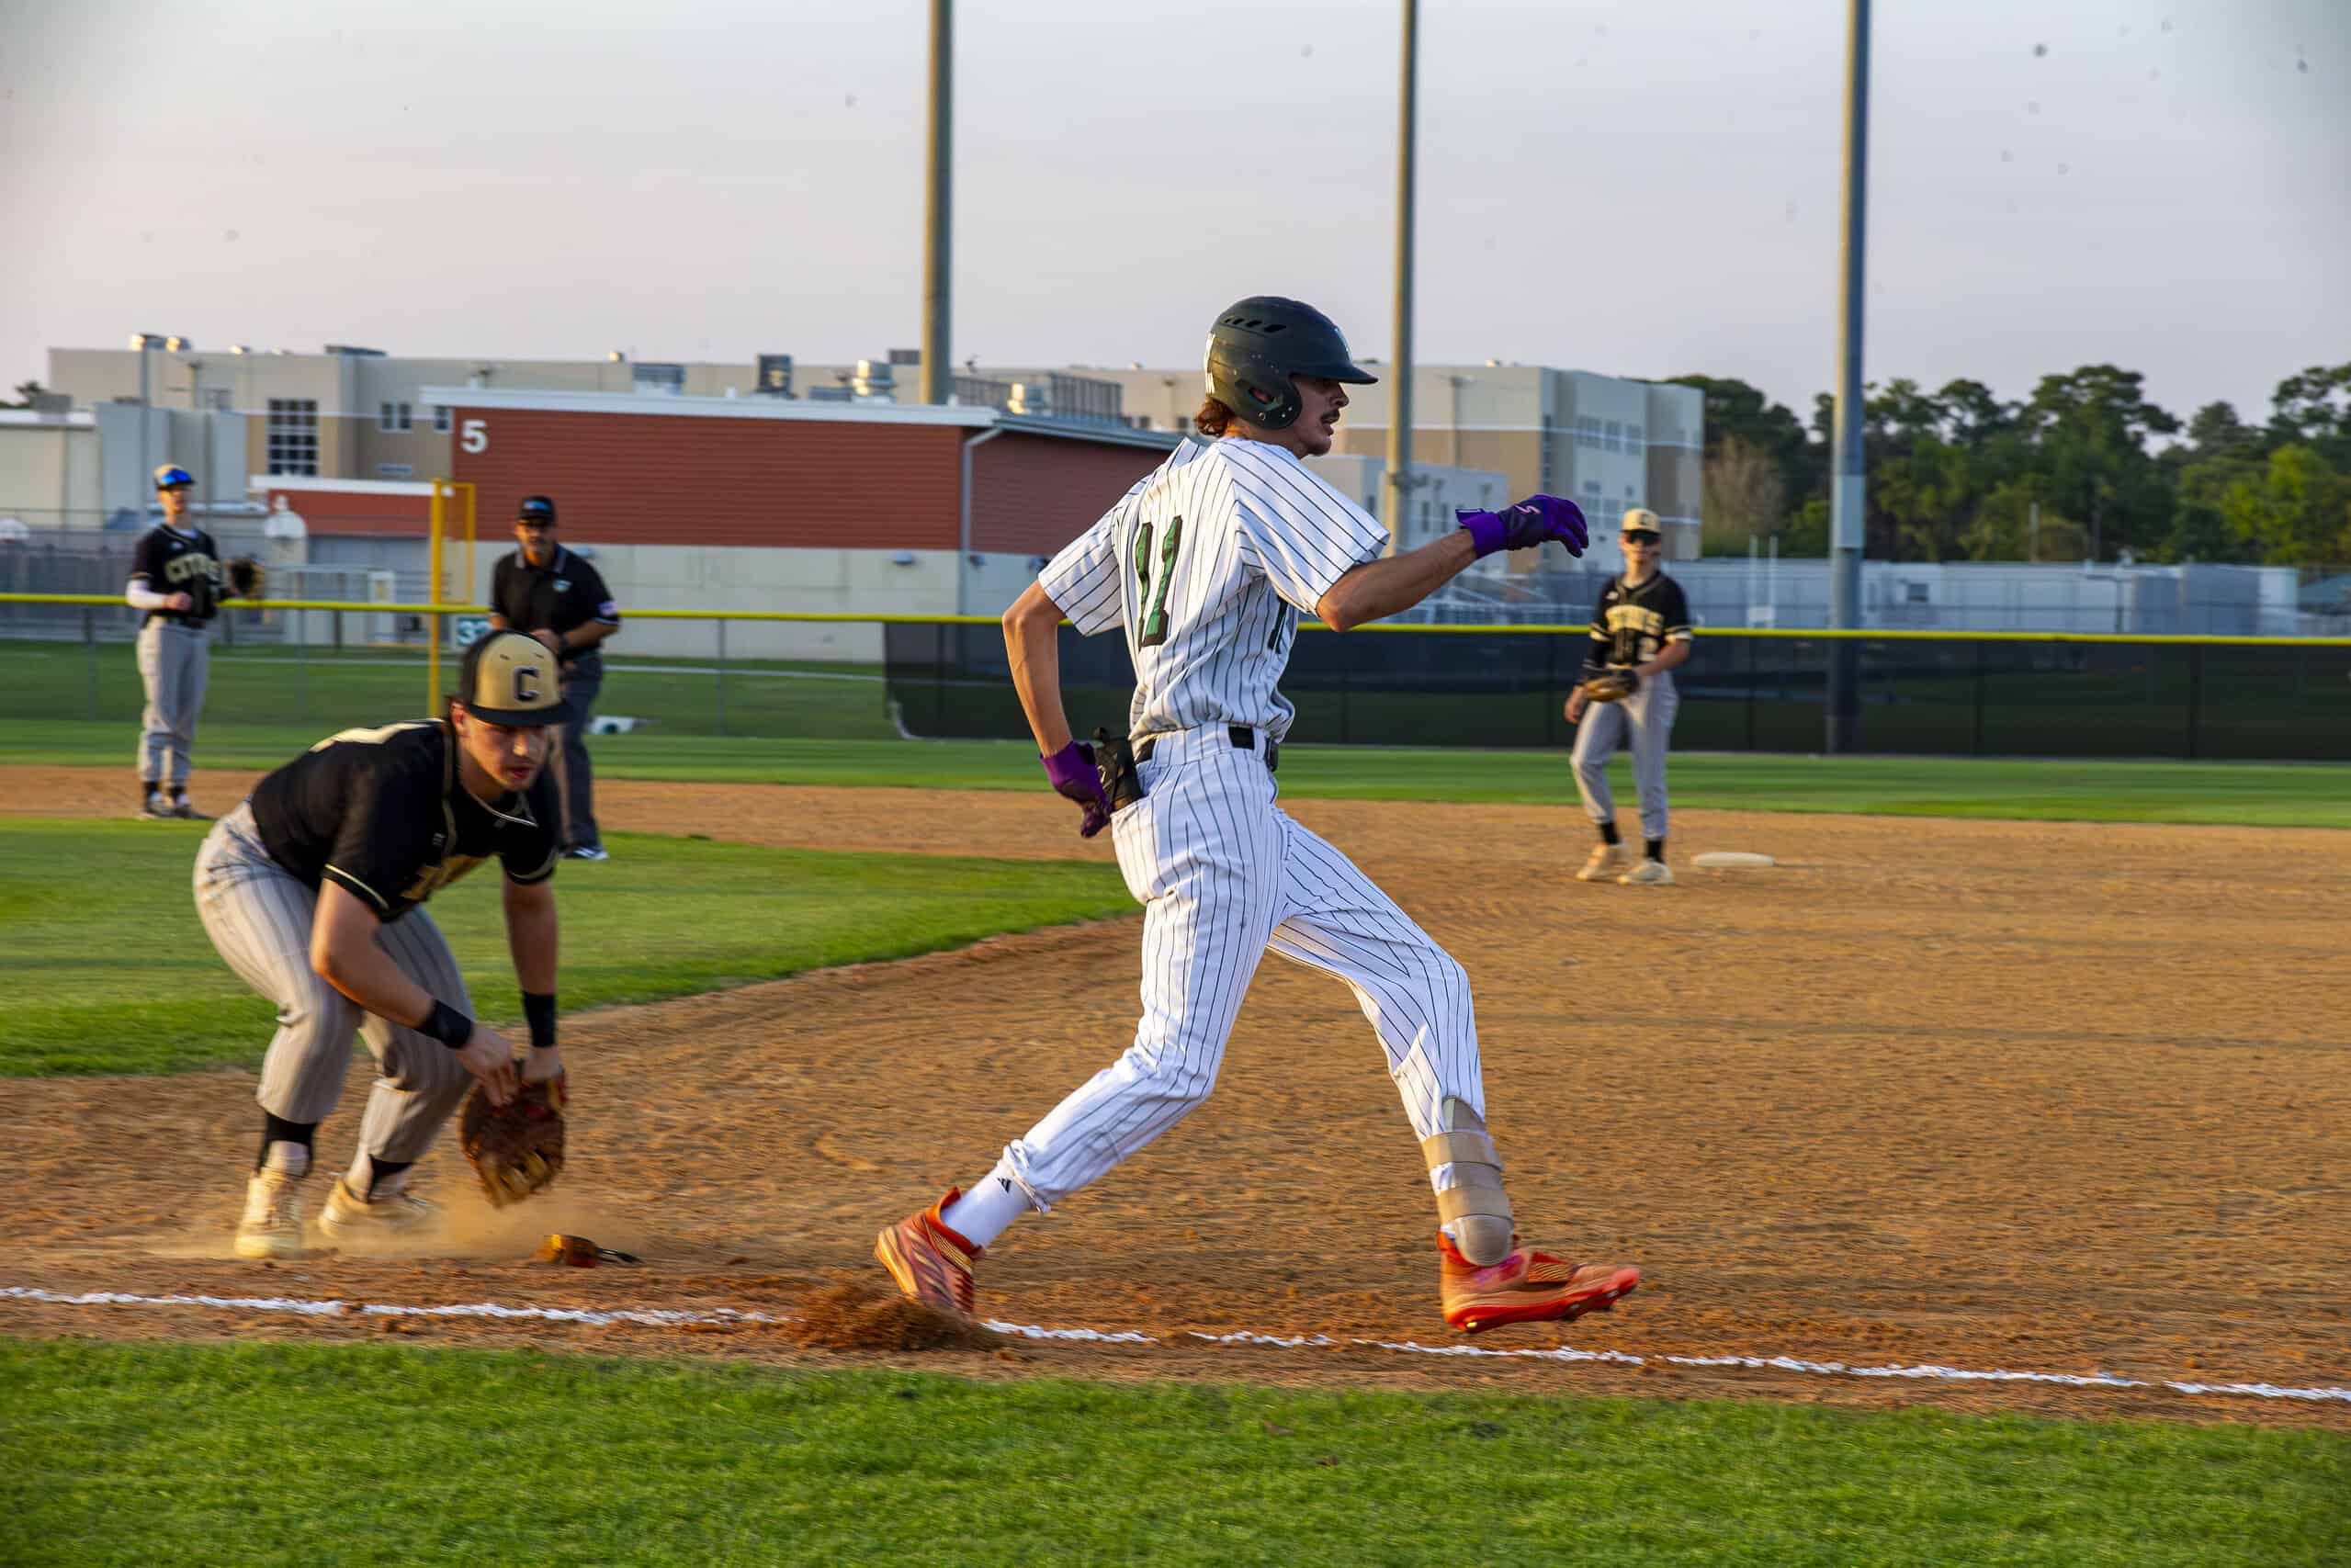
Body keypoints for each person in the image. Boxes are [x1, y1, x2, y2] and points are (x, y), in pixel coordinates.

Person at [874, 296, 1641, 1335]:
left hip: (1205, 794)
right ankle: (956, 1228)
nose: (1338, 404)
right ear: (1269, 389)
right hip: (1209, 795)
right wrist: (1490, 532)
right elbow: (1348, 600)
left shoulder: (1170, 485)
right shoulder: (1255, 474)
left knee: (1421, 976)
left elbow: (1031, 617)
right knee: (1176, 1062)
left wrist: (1061, 755)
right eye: (1327, 385)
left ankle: (1481, 1253)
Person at [195, 630, 571, 1260]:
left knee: (443, 1058)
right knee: (324, 1002)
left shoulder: (534, 789)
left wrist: (546, 1046)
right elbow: (336, 955)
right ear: (460, 716)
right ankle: (276, 1181)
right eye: (503, 727)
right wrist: (462, 1030)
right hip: (260, 866)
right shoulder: (402, 780)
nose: (525, 746)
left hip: (370, 897)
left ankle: (370, 1200)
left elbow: (530, 903)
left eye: (538, 726)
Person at [1565, 508, 1694, 886]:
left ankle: (1655, 860)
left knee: (1647, 769)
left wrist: (1640, 673)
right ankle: (1611, 844)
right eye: (1633, 537)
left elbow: (1680, 648)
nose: (1640, 544)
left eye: (1648, 538)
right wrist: (1579, 691)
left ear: (1658, 546)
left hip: (1649, 683)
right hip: (1609, 682)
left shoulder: (1668, 592)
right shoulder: (1611, 589)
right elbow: (1596, 648)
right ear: (1622, 541)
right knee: (1583, 759)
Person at [488, 494, 621, 860]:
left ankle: (582, 841)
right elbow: (497, 614)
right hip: (527, 674)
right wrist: (508, 641)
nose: (536, 533)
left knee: (562, 739)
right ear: (517, 529)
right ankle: (525, 832)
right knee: (513, 745)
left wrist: (560, 641)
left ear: (554, 529)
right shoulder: (505, 569)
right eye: (528, 526)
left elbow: (609, 620)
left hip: (575, 670)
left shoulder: (577, 570)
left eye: (542, 526)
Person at [125, 463, 247, 820]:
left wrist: (231, 591)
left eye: (183, 488)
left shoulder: (206, 543)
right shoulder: (154, 541)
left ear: (190, 493)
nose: (178, 494)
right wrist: (164, 600)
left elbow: (207, 596)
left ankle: (177, 795)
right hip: (164, 632)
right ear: (161, 497)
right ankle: (150, 796)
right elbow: (134, 593)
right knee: (162, 716)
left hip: (197, 634)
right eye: (169, 490)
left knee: (186, 719)